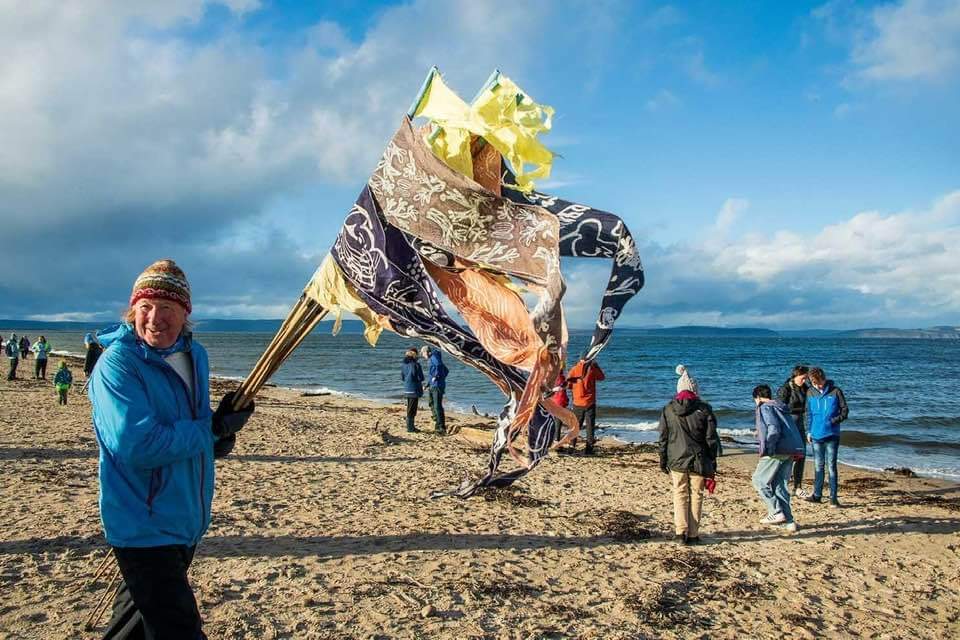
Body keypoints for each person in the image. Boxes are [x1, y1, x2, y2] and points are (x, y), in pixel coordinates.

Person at [89, 259, 255, 639]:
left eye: (167, 308)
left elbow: (189, 431)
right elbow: (138, 444)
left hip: (185, 518)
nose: (155, 319)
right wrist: (210, 429)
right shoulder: (117, 365)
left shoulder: (194, 357)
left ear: (185, 313)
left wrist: (220, 438)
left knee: (133, 627)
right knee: (180, 629)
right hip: (142, 522)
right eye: (145, 308)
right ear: (132, 311)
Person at [658, 383, 720, 545]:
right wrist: (712, 461)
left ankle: (680, 532)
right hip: (699, 459)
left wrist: (662, 459)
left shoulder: (669, 409)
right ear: (695, 390)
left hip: (676, 458)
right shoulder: (704, 409)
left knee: (679, 493)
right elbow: (711, 439)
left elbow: (663, 437)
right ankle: (693, 534)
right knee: (696, 495)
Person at [752, 384, 805, 533]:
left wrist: (769, 447)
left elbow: (773, 429)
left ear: (757, 397)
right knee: (779, 486)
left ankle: (775, 511)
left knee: (758, 481)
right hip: (790, 449)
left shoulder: (765, 407)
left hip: (776, 450)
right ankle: (790, 521)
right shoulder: (781, 407)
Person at [804, 367, 848, 507]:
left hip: (832, 435)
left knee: (831, 467)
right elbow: (809, 413)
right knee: (818, 466)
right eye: (814, 383)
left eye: (819, 383)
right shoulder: (810, 392)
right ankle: (817, 495)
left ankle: (833, 498)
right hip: (816, 435)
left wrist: (833, 421)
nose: (817, 386)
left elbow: (845, 411)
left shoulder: (836, 391)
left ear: (823, 378)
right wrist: (809, 431)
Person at [777, 365, 810, 497]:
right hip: (788, 422)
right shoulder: (785, 389)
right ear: (796, 375)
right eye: (803, 378)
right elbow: (778, 408)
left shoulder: (806, 389)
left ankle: (798, 486)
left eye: (806, 378)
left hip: (800, 422)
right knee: (788, 455)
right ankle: (782, 484)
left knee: (801, 454)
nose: (805, 380)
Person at [566, 358, 605, 455]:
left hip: (578, 402)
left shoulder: (574, 369)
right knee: (590, 426)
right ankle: (589, 448)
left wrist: (575, 387)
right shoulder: (592, 369)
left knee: (576, 425)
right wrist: (596, 366)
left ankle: (572, 446)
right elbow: (602, 377)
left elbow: (568, 384)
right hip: (590, 402)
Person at [421, 345, 449, 435]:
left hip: (437, 386)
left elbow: (440, 366)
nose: (423, 356)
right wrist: (427, 384)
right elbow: (445, 370)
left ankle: (441, 427)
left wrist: (436, 377)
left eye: (423, 353)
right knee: (432, 403)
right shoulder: (432, 358)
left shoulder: (434, 357)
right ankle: (437, 422)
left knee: (437, 406)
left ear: (427, 352)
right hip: (433, 385)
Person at [401, 347, 424, 433]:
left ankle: (410, 426)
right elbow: (421, 377)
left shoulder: (404, 365)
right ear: (415, 355)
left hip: (407, 388)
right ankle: (410, 428)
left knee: (410, 408)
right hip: (414, 389)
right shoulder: (416, 365)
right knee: (412, 409)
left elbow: (402, 377)